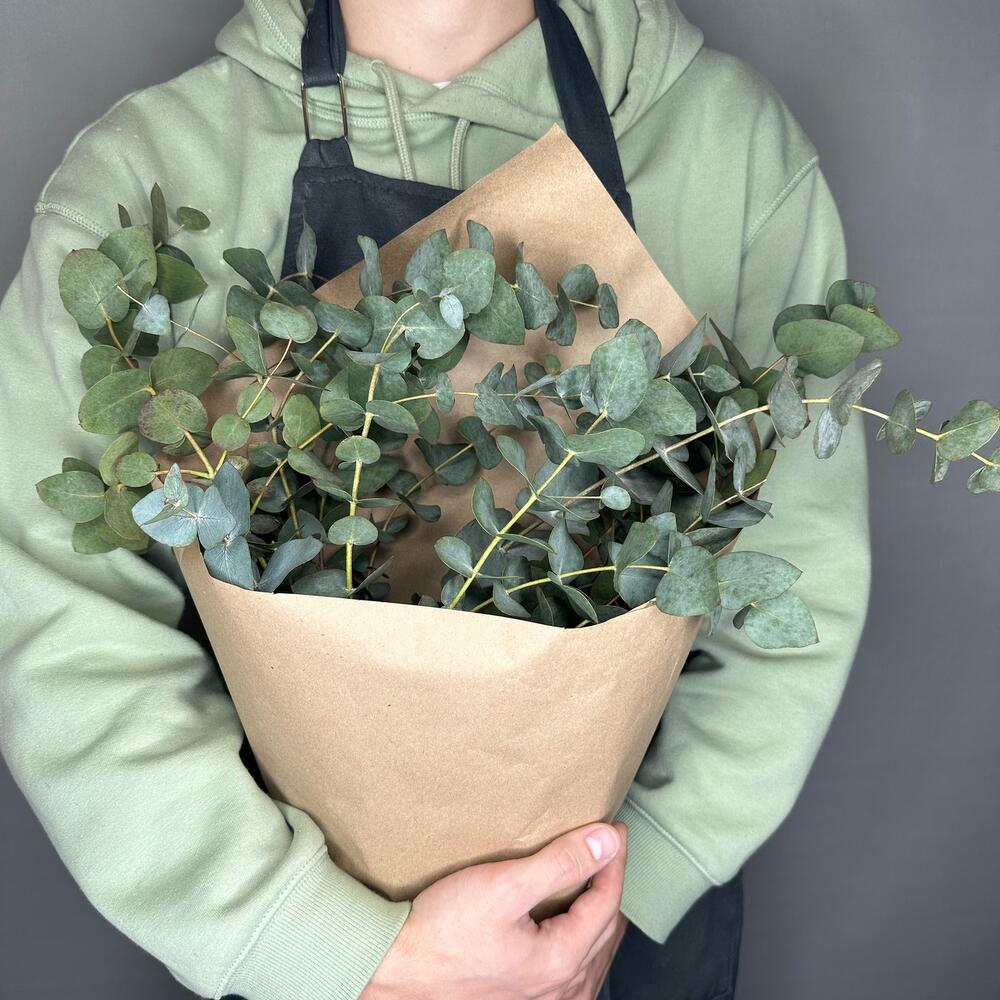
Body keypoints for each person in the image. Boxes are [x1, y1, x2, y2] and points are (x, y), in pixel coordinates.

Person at [0, 1, 871, 998]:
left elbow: (796, 559)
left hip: (614, 929)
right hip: (296, 948)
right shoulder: (144, 178)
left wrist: (621, 887)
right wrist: (313, 938)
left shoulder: (729, 146)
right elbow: (64, 622)